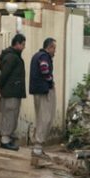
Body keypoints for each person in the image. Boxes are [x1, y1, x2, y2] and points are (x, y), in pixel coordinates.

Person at [30, 38, 57, 166]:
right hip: (44, 91)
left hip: (38, 90)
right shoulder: (44, 56)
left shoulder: (37, 55)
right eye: (54, 48)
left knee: (41, 118)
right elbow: (44, 68)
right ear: (49, 47)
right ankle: (38, 149)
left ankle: (38, 149)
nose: (55, 52)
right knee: (45, 119)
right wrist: (50, 79)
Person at [0, 34, 26, 151]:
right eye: (23, 44)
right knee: (9, 114)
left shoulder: (14, 56)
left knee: (12, 114)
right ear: (17, 44)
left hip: (14, 90)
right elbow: (4, 74)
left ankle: (7, 138)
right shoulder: (11, 57)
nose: (24, 47)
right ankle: (4, 140)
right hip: (10, 91)